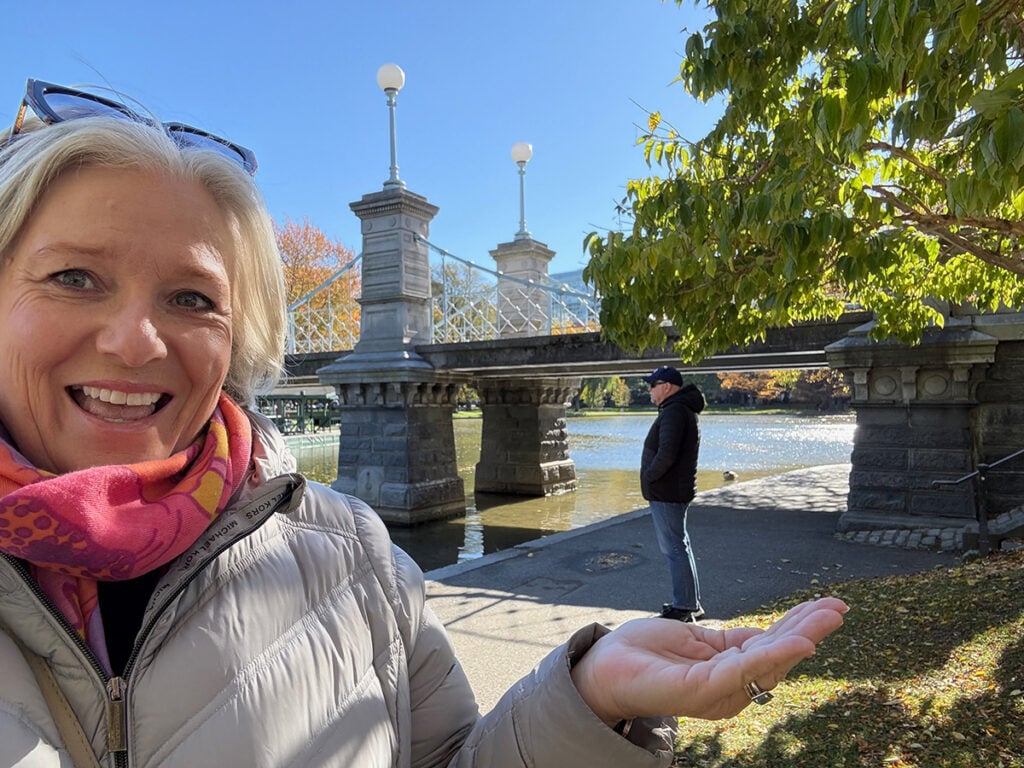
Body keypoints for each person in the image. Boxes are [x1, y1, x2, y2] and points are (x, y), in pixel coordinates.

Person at [0, 78, 848, 767]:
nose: (136, 341)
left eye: (192, 298)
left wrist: (591, 700)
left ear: (238, 334)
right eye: (75, 277)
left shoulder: (354, 561)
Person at [640, 365, 707, 622]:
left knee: (674, 549)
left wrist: (648, 477)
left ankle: (684, 608)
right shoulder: (678, 409)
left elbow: (666, 454)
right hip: (672, 491)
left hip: (667, 492)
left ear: (666, 386)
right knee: (681, 546)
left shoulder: (674, 411)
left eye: (652, 385)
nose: (649, 390)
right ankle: (690, 603)